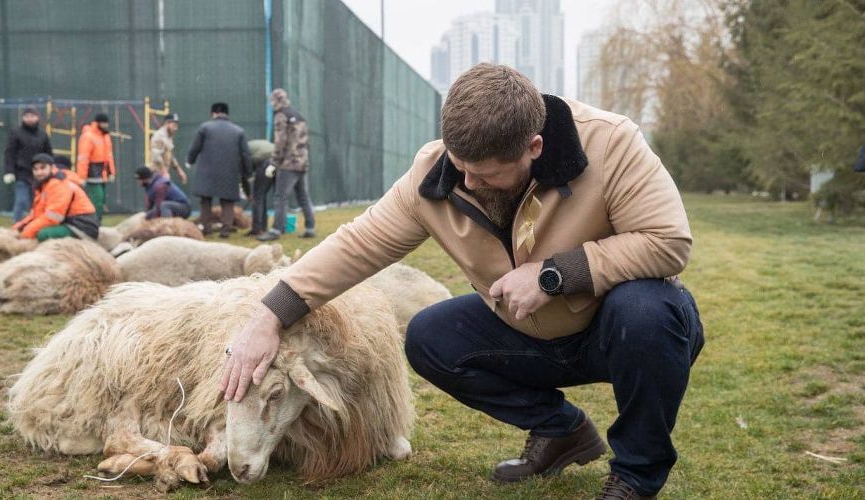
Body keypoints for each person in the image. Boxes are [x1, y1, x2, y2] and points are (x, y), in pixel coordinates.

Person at [222, 64, 704, 500]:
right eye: (460, 167)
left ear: (533, 147)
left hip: (616, 329)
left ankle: (636, 476)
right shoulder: (436, 173)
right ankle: (561, 431)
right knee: (430, 338)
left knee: (648, 309)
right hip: (525, 331)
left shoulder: (612, 142)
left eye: (485, 174)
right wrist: (270, 314)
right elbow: (356, 244)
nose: (467, 184)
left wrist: (555, 274)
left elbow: (668, 241)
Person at [257, 89, 316, 241]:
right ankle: (310, 227)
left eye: (272, 101)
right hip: (302, 162)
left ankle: (276, 230)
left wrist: (274, 163)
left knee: (280, 196)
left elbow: (280, 142)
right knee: (303, 195)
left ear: (275, 101)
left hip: (288, 164)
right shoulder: (298, 115)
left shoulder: (281, 116)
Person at [187, 102, 252, 238]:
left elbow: (195, 147)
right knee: (227, 202)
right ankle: (226, 229)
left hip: (207, 171)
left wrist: (190, 160)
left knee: (206, 201)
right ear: (227, 113)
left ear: (213, 113)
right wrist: (247, 171)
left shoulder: (205, 128)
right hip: (229, 172)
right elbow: (246, 154)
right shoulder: (238, 131)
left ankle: (206, 228)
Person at [14, 153, 98, 241]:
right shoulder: (43, 185)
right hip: (69, 223)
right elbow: (37, 215)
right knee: (32, 231)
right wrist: (17, 229)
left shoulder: (58, 184)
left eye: (43, 168)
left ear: (52, 167)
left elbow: (53, 218)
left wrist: (25, 234)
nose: (39, 172)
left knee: (43, 234)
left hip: (82, 227)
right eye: (35, 169)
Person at [3, 108, 52, 222]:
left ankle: (35, 225)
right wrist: (9, 171)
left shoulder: (43, 134)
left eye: (32, 116)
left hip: (40, 176)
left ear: (37, 117)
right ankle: (17, 225)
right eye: (27, 116)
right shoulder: (16, 133)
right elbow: (9, 153)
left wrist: (50, 169)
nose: (30, 119)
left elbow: (48, 154)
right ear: (23, 118)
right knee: (21, 201)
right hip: (21, 174)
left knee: (37, 202)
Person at [76, 113, 117, 223]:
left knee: (102, 199)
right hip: (92, 174)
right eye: (104, 123)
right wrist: (82, 177)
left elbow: (109, 156)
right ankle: (94, 222)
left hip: (102, 174)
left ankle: (97, 222)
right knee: (96, 200)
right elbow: (83, 158)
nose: (106, 125)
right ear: (98, 123)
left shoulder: (105, 136)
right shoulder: (88, 137)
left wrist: (111, 172)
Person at [247, 139, 276, 237]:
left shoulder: (241, 150)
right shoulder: (251, 145)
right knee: (279, 197)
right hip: (279, 161)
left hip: (266, 162)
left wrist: (248, 193)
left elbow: (244, 173)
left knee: (258, 197)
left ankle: (257, 229)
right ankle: (279, 228)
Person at [150, 113, 188, 183]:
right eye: (174, 126)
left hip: (163, 176)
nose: (176, 129)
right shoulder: (159, 136)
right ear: (167, 123)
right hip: (156, 175)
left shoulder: (169, 136)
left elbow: (170, 155)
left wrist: (179, 171)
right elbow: (156, 156)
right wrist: (164, 172)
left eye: (177, 126)